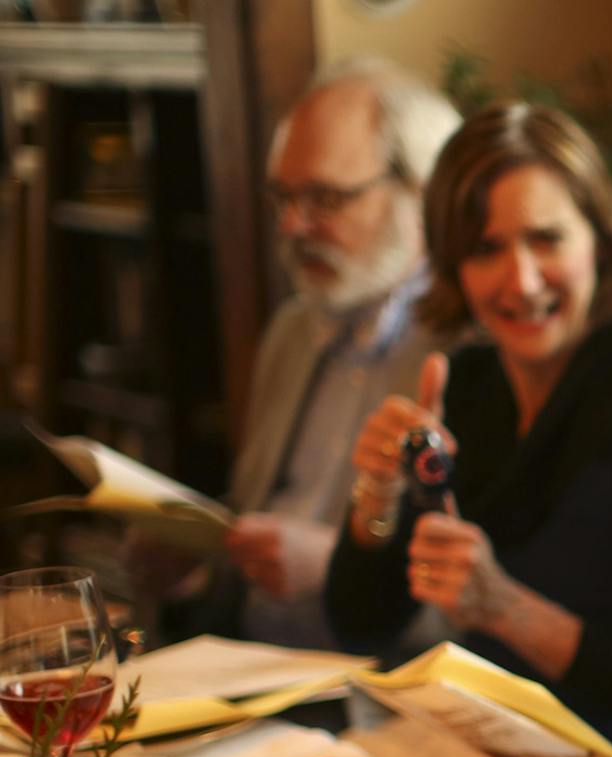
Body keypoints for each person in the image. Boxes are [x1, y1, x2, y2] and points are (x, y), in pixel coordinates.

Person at [324, 103, 612, 757]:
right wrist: (378, 492)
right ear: (453, 265)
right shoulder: (472, 390)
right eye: (487, 249)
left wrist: (508, 611)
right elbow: (361, 621)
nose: (520, 280)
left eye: (546, 239)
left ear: (600, 244)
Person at [145, 58, 459, 653]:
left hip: (376, 696)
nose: (292, 225)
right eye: (283, 197)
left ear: (419, 191)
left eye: (325, 198)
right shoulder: (292, 332)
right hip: (245, 669)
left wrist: (336, 566)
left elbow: (475, 616)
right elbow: (253, 523)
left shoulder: (463, 353)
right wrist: (194, 568)